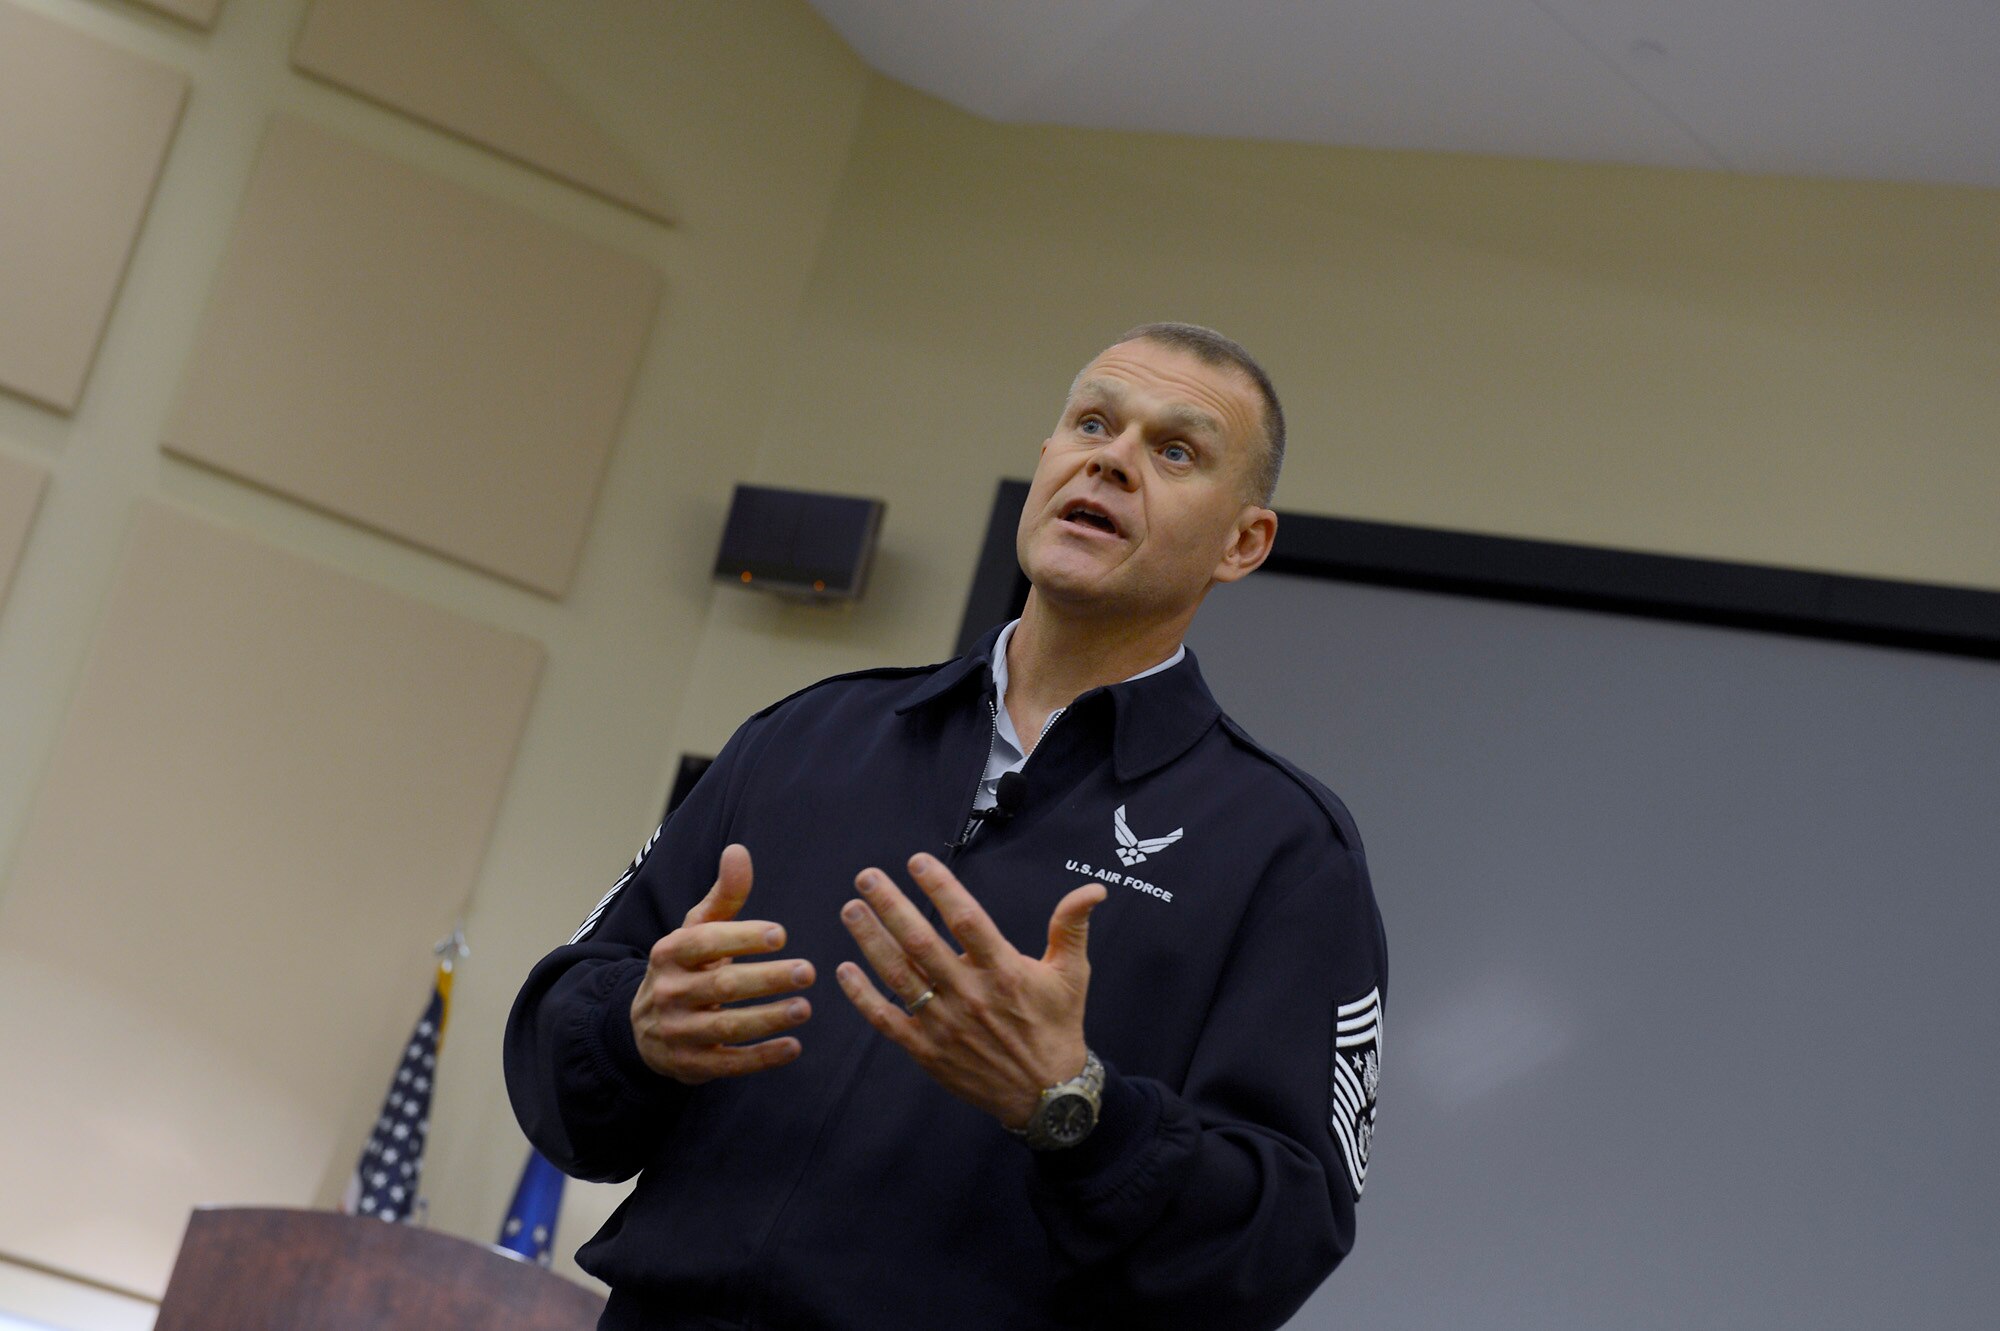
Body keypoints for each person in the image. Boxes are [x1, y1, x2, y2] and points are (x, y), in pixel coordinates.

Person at [505, 323, 1387, 1331]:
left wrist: (1072, 1106)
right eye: (1090, 422)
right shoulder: (807, 735)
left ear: (1242, 542)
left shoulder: (1284, 848)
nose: (1110, 457)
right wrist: (633, 1030)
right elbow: (555, 1048)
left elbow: (1282, 1237)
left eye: (1173, 449)